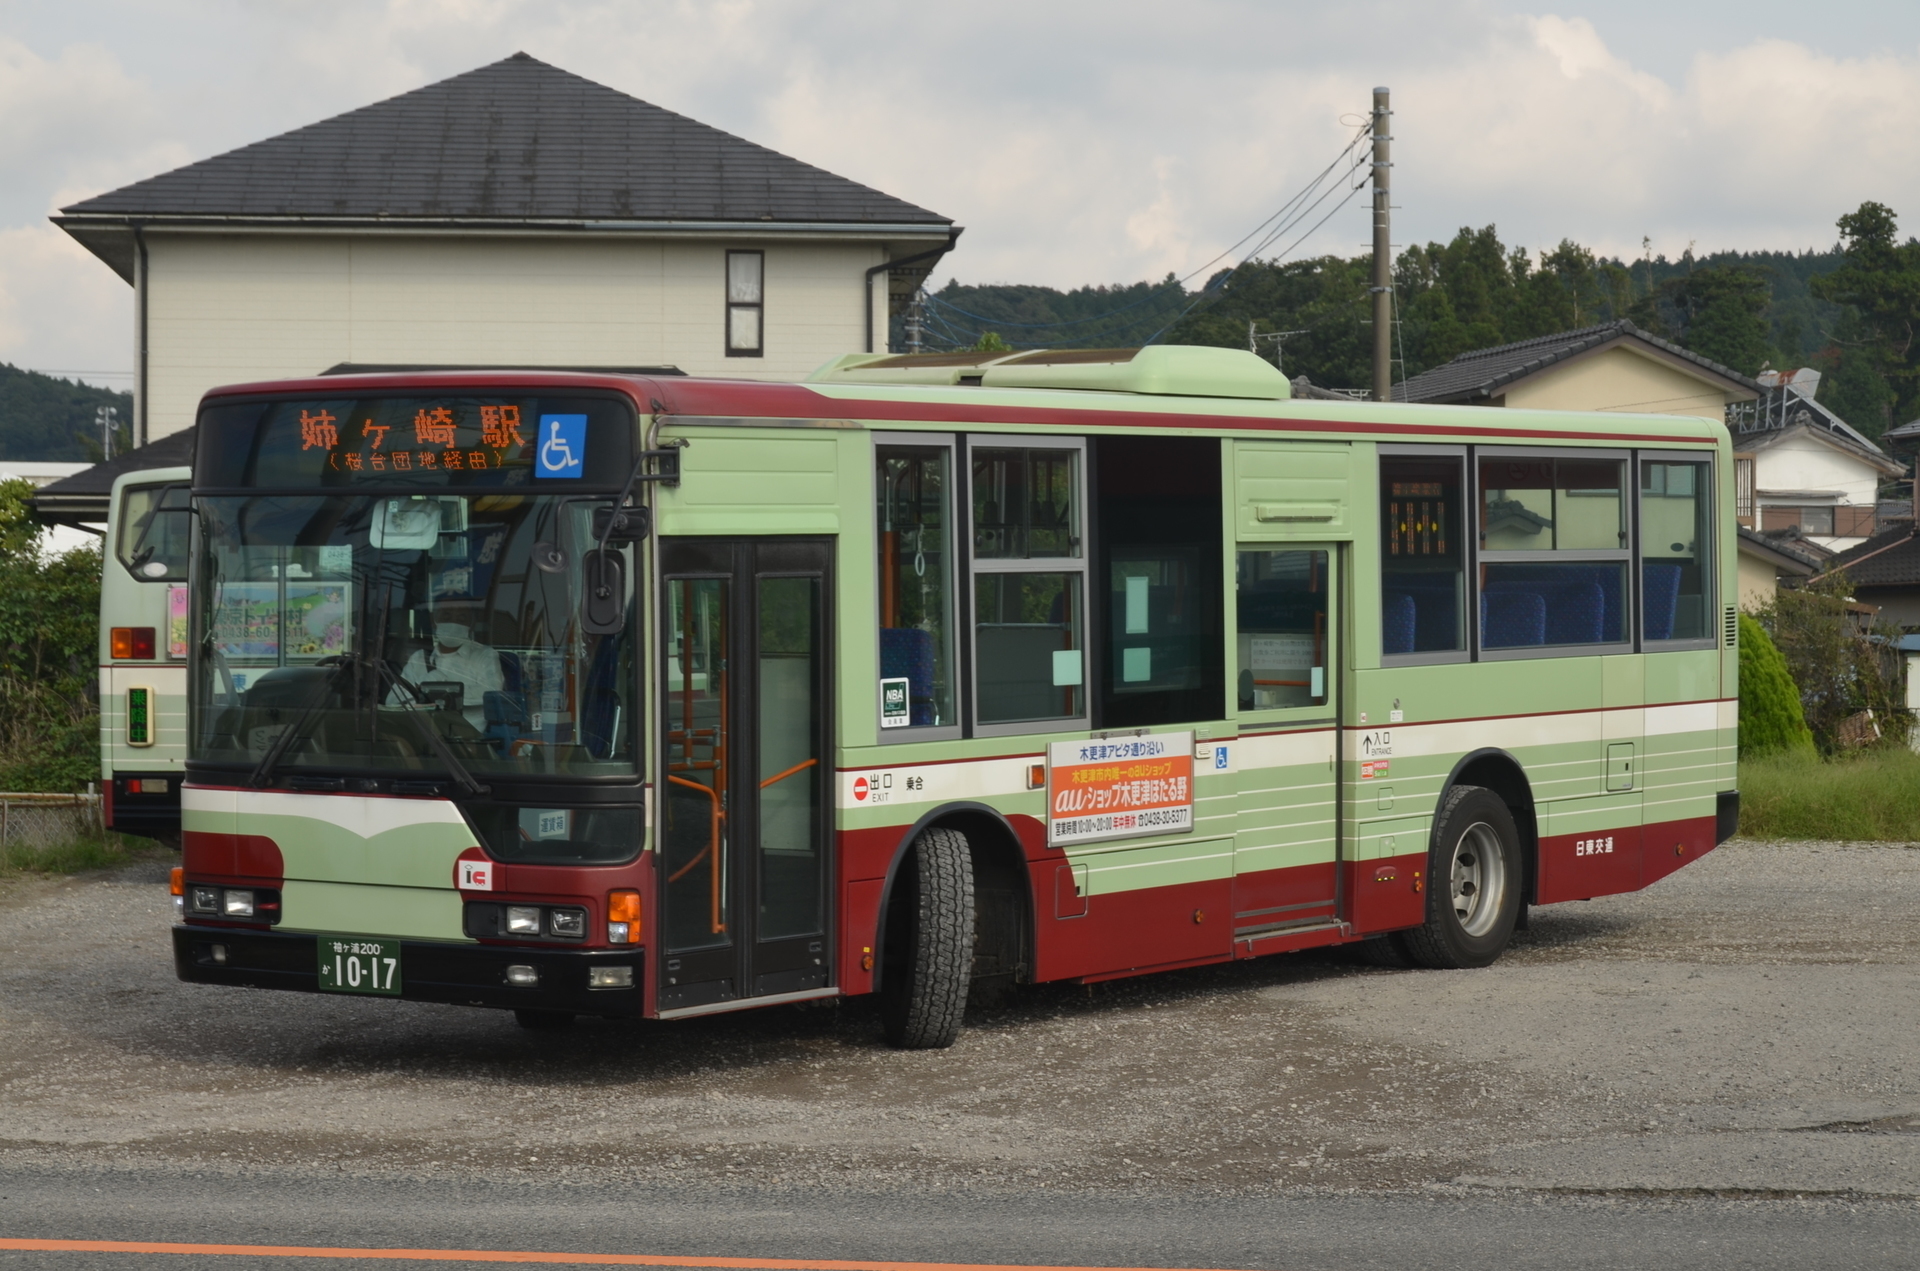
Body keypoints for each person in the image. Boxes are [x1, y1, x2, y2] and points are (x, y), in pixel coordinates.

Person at [392, 609, 504, 728]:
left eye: (461, 619)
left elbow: (493, 693)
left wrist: (439, 691)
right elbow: (394, 701)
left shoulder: (485, 655)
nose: (453, 623)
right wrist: (430, 680)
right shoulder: (419, 658)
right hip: (423, 736)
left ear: (471, 625)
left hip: (468, 739)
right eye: (446, 617)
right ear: (434, 621)